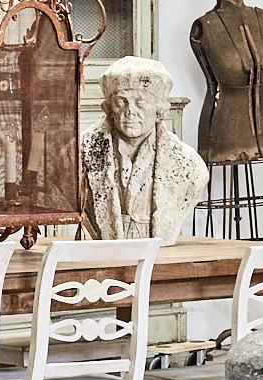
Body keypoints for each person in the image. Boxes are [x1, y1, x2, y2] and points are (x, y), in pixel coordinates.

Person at [80, 56, 205, 242]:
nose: (130, 111)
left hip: (159, 260)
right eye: (121, 101)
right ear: (109, 108)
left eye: (140, 102)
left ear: (158, 110)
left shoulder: (189, 166)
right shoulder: (82, 154)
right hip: (107, 257)